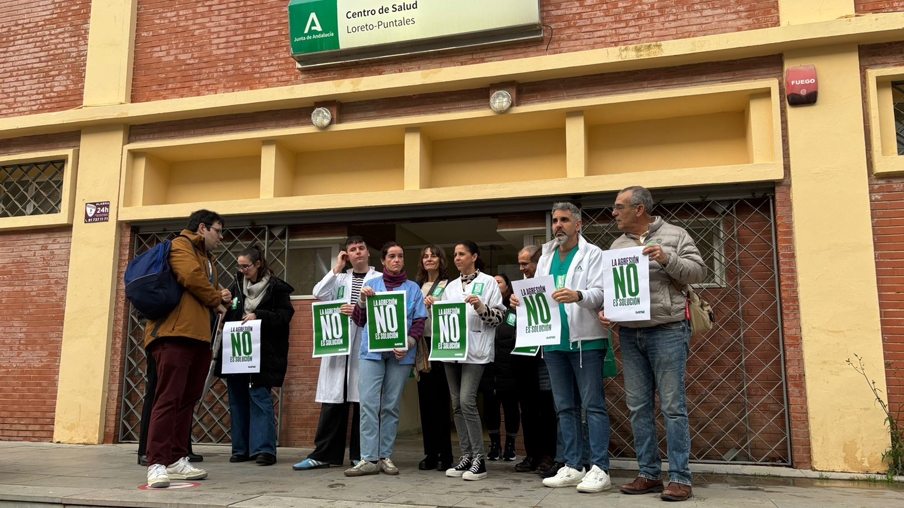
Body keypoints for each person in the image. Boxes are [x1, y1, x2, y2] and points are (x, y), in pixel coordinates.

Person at [600, 186, 707, 502]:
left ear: (638, 209)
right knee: (638, 407)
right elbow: (614, 286)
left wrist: (667, 256)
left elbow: (699, 271)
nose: (613, 213)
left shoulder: (674, 234)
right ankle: (648, 474)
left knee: (673, 406)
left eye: (618, 207)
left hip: (668, 330)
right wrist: (608, 309)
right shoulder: (618, 244)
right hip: (630, 334)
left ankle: (679, 478)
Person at [511, 202, 611, 493]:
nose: (558, 225)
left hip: (586, 340)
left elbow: (603, 293)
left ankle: (600, 467)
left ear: (577, 224)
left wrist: (578, 294)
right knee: (564, 406)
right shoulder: (546, 257)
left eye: (565, 220)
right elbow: (538, 293)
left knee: (592, 406)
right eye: (555, 220)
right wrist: (520, 301)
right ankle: (573, 465)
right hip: (553, 341)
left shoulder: (593, 254)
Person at [143, 209, 229, 489]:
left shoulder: (208, 259)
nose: (221, 236)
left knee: (186, 400)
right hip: (174, 334)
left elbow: (206, 288)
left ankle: (177, 458)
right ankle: (156, 462)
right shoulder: (180, 245)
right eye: (218, 230)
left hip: (198, 337)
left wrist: (219, 295)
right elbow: (190, 277)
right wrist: (216, 298)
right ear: (202, 228)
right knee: (168, 398)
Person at [294, 237, 381, 470]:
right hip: (337, 343)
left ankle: (360, 455)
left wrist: (359, 309)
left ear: (368, 252)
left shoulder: (379, 279)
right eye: (352, 250)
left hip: (364, 342)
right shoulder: (340, 277)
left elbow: (384, 307)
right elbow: (319, 293)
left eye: (361, 248)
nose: (358, 252)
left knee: (362, 400)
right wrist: (337, 268)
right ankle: (324, 455)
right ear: (347, 255)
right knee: (333, 400)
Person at [344, 242, 428, 476]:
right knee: (369, 404)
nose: (397, 260)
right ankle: (368, 459)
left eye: (400, 256)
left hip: (401, 356)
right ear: (382, 261)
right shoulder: (371, 285)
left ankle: (385, 456)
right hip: (372, 353)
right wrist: (361, 299)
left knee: (390, 406)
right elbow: (360, 321)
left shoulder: (413, 289)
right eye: (391, 256)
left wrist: (409, 343)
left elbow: (419, 321)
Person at [434, 241, 505, 481]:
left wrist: (480, 306)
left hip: (475, 350)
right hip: (451, 350)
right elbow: (444, 318)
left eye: (461, 254)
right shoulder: (450, 286)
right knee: (455, 403)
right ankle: (465, 456)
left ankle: (479, 459)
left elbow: (498, 317)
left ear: (474, 256)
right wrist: (433, 306)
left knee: (467, 401)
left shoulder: (488, 283)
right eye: (454, 254)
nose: (456, 258)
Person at [220, 245, 295, 466]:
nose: (242, 270)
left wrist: (258, 315)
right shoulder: (234, 286)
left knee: (260, 398)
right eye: (239, 266)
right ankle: (240, 448)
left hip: (263, 353)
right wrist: (222, 302)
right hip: (236, 350)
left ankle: (264, 450)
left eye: (246, 266)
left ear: (258, 264)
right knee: (237, 400)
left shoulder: (276, 288)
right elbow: (224, 314)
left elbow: (284, 317)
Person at [511, 245, 556, 474]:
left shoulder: (551, 282)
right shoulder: (519, 289)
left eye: (525, 263)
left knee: (547, 406)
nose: (522, 268)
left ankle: (549, 455)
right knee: (527, 407)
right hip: (524, 354)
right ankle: (531, 454)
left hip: (546, 355)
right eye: (520, 263)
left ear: (538, 262)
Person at [415, 245, 454, 471]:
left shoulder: (449, 285)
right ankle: (430, 453)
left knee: (441, 401)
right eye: (426, 256)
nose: (430, 259)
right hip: (421, 346)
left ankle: (445, 454)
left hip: (441, 344)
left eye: (434, 255)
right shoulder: (416, 286)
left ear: (441, 260)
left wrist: (437, 304)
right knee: (425, 401)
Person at [137, 351, 200, 466]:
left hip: (190, 338)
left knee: (184, 393)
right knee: (158, 391)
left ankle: (182, 450)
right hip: (163, 340)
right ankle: (145, 450)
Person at [481, 273, 520, 462]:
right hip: (488, 367)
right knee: (490, 408)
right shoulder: (484, 308)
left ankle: (510, 446)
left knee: (511, 408)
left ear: (507, 286)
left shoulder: (515, 308)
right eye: (492, 282)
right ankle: (494, 445)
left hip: (510, 368)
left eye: (499, 282)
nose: (495, 285)